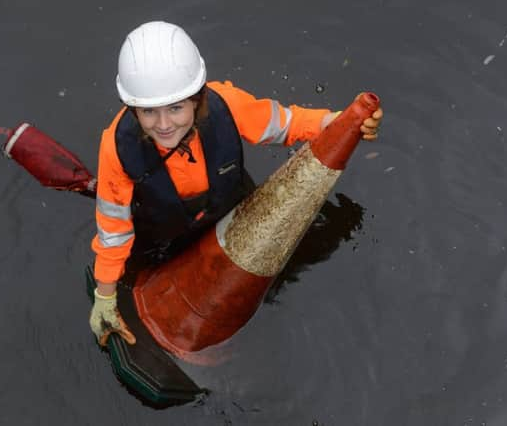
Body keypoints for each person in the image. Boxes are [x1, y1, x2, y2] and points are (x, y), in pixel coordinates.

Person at [89, 21, 384, 346]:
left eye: (175, 108)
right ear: (132, 110)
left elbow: (285, 124)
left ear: (197, 98)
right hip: (165, 236)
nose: (163, 125)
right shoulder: (117, 148)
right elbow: (114, 230)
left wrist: (335, 122)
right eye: (148, 112)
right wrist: (105, 295)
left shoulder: (226, 106)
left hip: (228, 208)